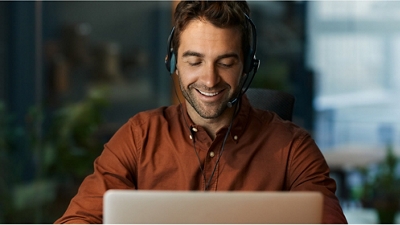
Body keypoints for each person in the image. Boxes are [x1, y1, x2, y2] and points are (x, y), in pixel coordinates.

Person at [55, 1, 347, 224]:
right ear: (173, 63)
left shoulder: (292, 148)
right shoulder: (138, 137)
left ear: (247, 66)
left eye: (225, 62)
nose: (209, 80)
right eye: (195, 61)